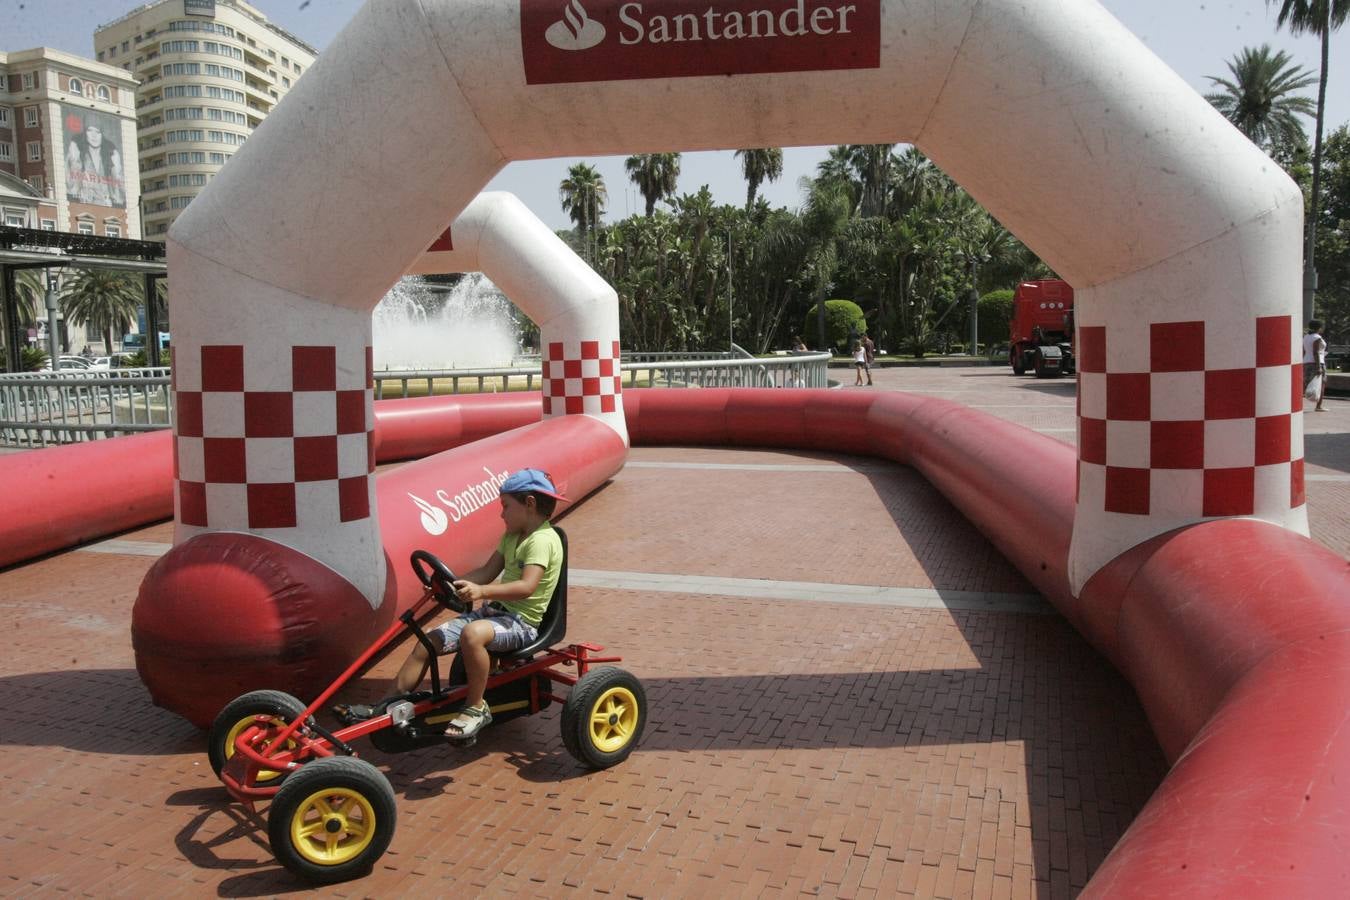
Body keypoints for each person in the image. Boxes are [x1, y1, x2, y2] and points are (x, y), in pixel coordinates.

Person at [351, 469, 567, 741]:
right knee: (429, 641)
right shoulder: (512, 537)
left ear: (530, 504)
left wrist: (481, 590)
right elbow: (486, 572)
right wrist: (451, 583)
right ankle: (385, 706)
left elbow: (527, 587)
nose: (502, 515)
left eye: (506, 507)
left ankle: (476, 707)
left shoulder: (543, 540)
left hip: (521, 624)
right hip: (494, 614)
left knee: (472, 634)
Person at [65, 114, 124, 208]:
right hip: (83, 206)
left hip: (106, 207)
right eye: (89, 130)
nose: (94, 135)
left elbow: (119, 189)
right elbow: (70, 185)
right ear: (85, 132)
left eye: (98, 131)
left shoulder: (111, 155)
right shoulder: (76, 153)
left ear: (102, 134)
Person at [1303, 320, 1327, 412]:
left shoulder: (1306, 337)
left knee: (1307, 383)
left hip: (1306, 362)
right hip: (1317, 363)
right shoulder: (1317, 338)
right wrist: (1319, 367)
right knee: (1321, 383)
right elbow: (1315, 352)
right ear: (1319, 328)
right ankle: (1319, 406)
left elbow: (1305, 351)